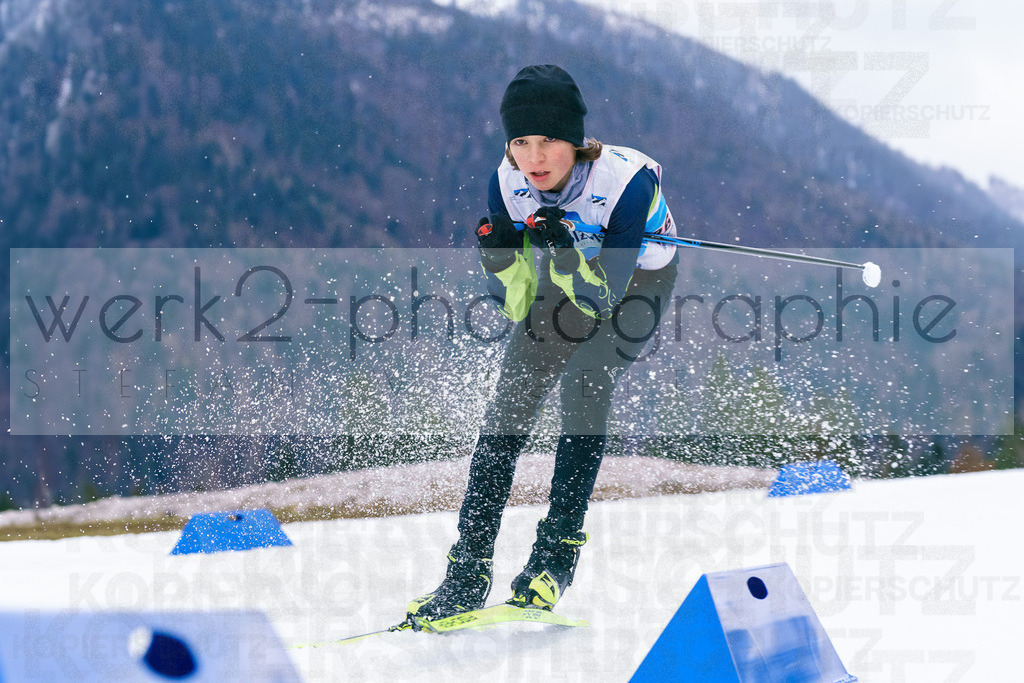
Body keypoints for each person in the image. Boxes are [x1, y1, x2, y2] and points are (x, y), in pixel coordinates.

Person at [407, 64, 679, 621]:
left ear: (575, 142)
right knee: (507, 409)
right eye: (521, 141)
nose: (534, 157)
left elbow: (604, 299)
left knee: (584, 385)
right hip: (566, 279)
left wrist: (561, 252)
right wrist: (499, 256)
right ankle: (467, 569)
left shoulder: (628, 185)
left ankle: (554, 561)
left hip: (637, 282)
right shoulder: (505, 183)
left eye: (549, 140)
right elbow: (514, 299)